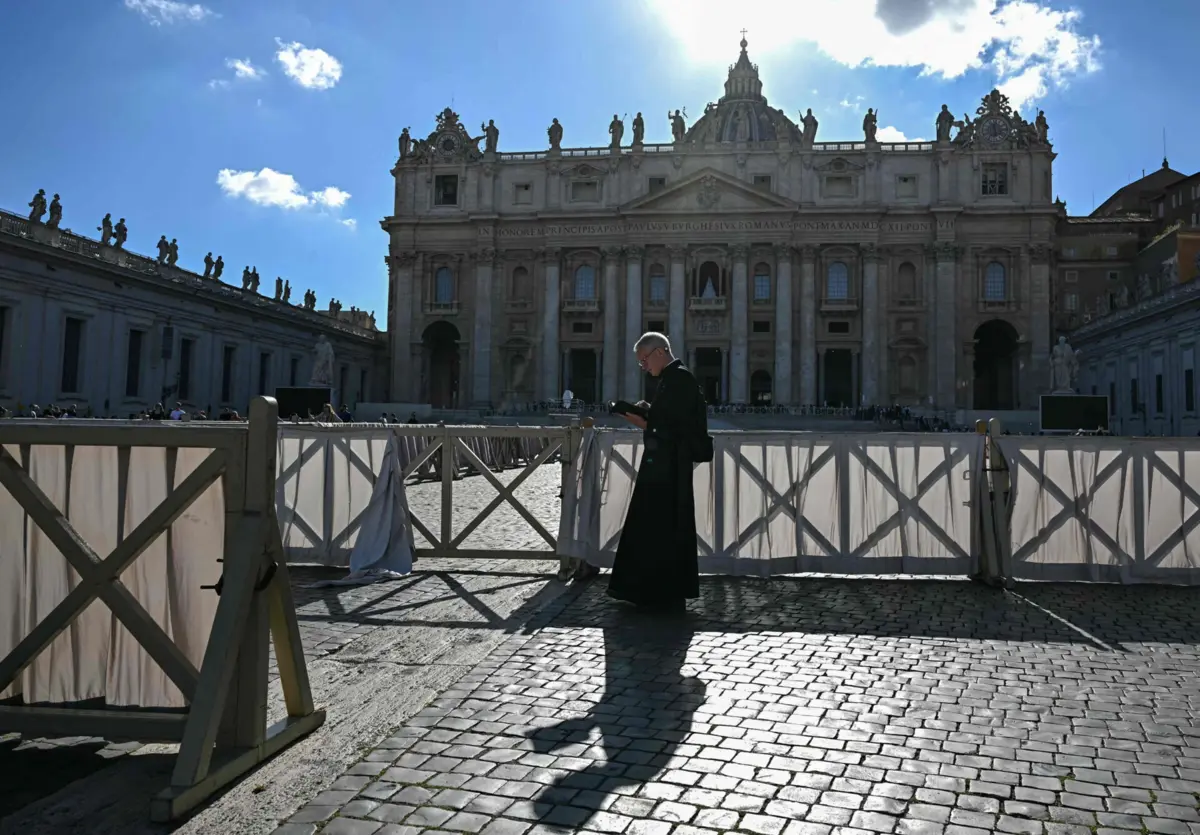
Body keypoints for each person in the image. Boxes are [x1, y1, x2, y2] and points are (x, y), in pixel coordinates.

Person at [607, 331, 707, 613]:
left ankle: (658, 592)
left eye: (644, 360)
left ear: (660, 352)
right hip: (664, 465)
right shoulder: (674, 379)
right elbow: (671, 420)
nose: (644, 367)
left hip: (669, 468)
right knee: (656, 528)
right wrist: (649, 414)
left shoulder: (679, 379)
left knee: (661, 528)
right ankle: (653, 591)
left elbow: (676, 429)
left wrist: (642, 421)